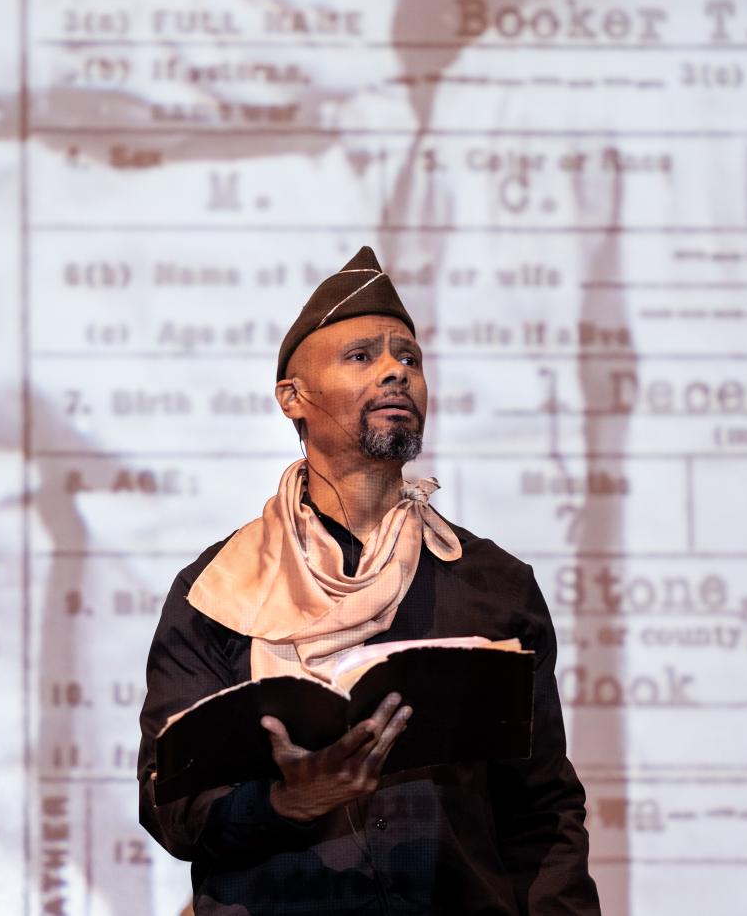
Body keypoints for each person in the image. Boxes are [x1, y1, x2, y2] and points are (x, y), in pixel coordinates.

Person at [137, 246, 601, 914]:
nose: (396, 373)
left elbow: (543, 811)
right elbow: (169, 805)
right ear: (293, 399)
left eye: (408, 358)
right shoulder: (216, 589)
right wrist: (284, 801)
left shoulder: (491, 583)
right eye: (362, 357)